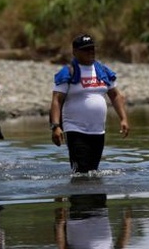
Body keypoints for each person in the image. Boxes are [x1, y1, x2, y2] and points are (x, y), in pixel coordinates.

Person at [50, 33, 129, 173]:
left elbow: (115, 95)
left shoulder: (103, 71)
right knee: (81, 171)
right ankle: (76, 194)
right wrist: (55, 126)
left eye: (92, 49)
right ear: (75, 52)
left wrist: (123, 119)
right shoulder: (68, 72)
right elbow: (57, 99)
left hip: (98, 130)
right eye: (86, 49)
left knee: (93, 171)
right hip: (75, 129)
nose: (90, 52)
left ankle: (93, 195)